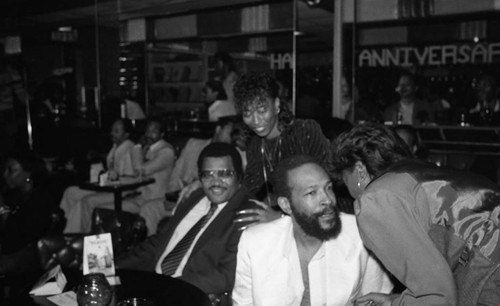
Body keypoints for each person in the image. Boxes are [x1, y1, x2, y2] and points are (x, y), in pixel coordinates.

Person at [331, 123, 500, 305]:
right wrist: (397, 300)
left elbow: (438, 297)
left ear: (360, 170)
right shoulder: (415, 173)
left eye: (345, 180)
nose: (347, 191)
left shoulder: (375, 199)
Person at [232, 155, 393, 305]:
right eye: (311, 193)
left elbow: (376, 298)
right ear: (286, 205)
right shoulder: (255, 243)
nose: (327, 200)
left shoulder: (359, 234)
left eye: (328, 188)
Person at [116, 143, 259, 305]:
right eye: (208, 174)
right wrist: (114, 266)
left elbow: (227, 274)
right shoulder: (193, 197)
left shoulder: (248, 212)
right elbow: (159, 243)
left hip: (189, 295)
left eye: (225, 174)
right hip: (154, 287)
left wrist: (172, 285)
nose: (216, 182)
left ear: (239, 176)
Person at [233, 71, 330, 223]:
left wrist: (280, 217)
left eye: (262, 110)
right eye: (247, 113)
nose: (256, 120)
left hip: (318, 218)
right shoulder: (255, 144)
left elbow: (323, 189)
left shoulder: (304, 131)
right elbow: (250, 186)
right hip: (283, 220)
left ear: (277, 105)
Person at [139, 117, 246, 235]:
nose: (231, 137)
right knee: (148, 208)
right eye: (230, 132)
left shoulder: (234, 156)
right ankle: (155, 250)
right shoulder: (193, 145)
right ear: (218, 129)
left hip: (205, 205)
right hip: (178, 198)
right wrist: (172, 196)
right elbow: (176, 174)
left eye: (234, 134)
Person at [67, 119, 175, 233]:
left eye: (154, 131)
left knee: (99, 210)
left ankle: (84, 240)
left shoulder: (166, 151)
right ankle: (79, 239)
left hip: (150, 200)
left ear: (162, 134)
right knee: (91, 205)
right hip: (135, 196)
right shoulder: (148, 148)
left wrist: (138, 145)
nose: (148, 135)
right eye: (147, 131)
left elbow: (139, 170)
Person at [62, 118, 135, 233]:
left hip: (121, 191)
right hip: (108, 187)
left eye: (117, 131)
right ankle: (66, 223)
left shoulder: (130, 150)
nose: (112, 134)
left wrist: (111, 179)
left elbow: (130, 178)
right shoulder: (116, 147)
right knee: (71, 192)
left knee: (87, 201)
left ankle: (74, 234)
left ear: (126, 134)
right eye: (112, 131)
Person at [0, 152, 54, 274]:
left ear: (28, 173)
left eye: (11, 170)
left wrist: (2, 209)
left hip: (26, 259)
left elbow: (17, 239)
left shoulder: (40, 200)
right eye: (5, 170)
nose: (5, 175)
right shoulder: (14, 195)